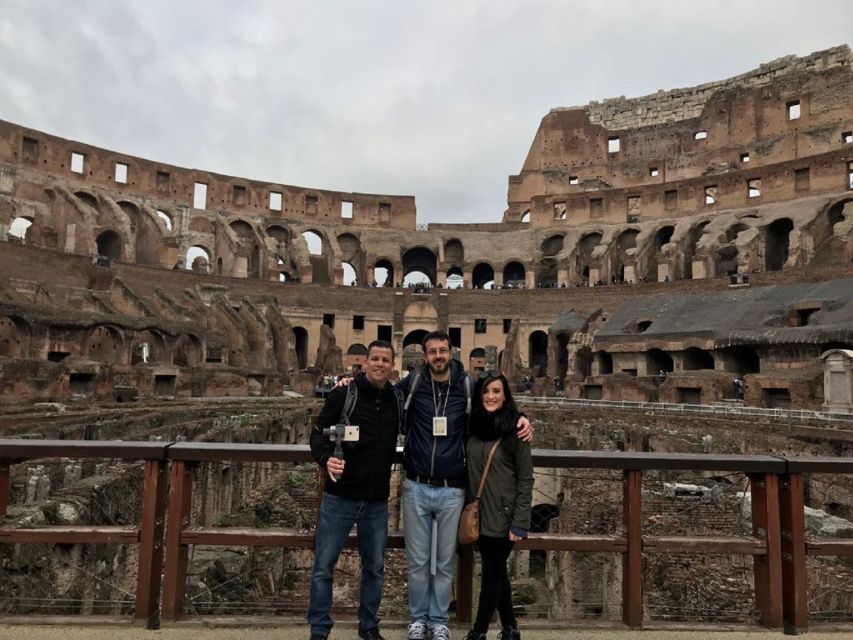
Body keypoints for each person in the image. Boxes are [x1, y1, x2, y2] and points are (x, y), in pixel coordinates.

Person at [399, 331, 532, 640]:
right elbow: (380, 391)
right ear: (425, 356)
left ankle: (445, 623)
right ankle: (420, 621)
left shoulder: (467, 386)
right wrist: (350, 383)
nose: (438, 356)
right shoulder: (414, 384)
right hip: (419, 486)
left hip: (454, 492)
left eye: (443, 350)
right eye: (432, 351)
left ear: (451, 352)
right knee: (419, 562)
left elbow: (498, 399)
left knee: (446, 562)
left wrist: (521, 417)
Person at [307, 340, 401, 640]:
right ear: (365, 362)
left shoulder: (396, 400)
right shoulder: (343, 394)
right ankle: (320, 630)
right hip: (340, 497)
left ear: (392, 364)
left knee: (375, 568)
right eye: (375, 358)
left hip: (376, 500)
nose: (379, 364)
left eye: (385, 360)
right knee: (324, 565)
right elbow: (317, 434)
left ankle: (369, 626)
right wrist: (326, 461)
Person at [463, 371, 533, 640]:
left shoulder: (516, 428)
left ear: (505, 396)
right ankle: (511, 628)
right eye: (486, 391)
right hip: (479, 512)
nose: (491, 396)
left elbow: (526, 478)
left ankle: (478, 631)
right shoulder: (473, 425)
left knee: (491, 575)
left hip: (505, 516)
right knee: (497, 570)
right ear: (479, 396)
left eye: (497, 391)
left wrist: (521, 521)